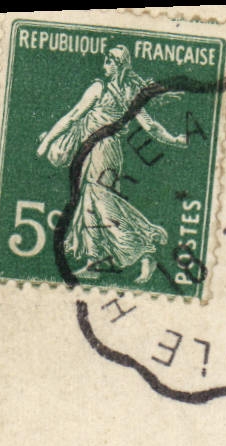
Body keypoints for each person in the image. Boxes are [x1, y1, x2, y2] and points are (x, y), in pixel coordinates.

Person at [35, 45, 187, 283]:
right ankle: (94, 263)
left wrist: (47, 144)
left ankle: (146, 249)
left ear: (117, 65)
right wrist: (175, 140)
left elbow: (73, 115)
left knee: (103, 205)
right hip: (105, 153)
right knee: (91, 205)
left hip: (100, 151)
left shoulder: (100, 88)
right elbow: (152, 127)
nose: (103, 65)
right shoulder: (129, 94)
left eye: (107, 61)